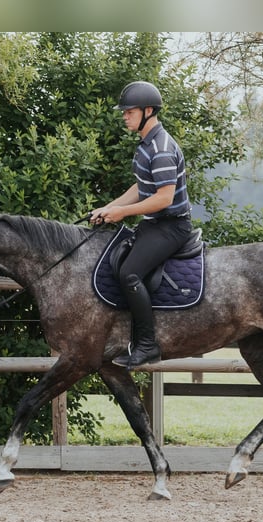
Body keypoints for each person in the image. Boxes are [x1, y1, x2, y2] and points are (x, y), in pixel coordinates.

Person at [90, 81, 192, 369]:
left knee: (130, 272)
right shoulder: (147, 144)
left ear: (148, 111)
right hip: (155, 224)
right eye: (124, 112)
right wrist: (110, 207)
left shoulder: (160, 148)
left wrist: (122, 212)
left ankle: (147, 345)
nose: (124, 116)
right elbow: (141, 186)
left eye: (129, 111)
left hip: (172, 226)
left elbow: (163, 197)